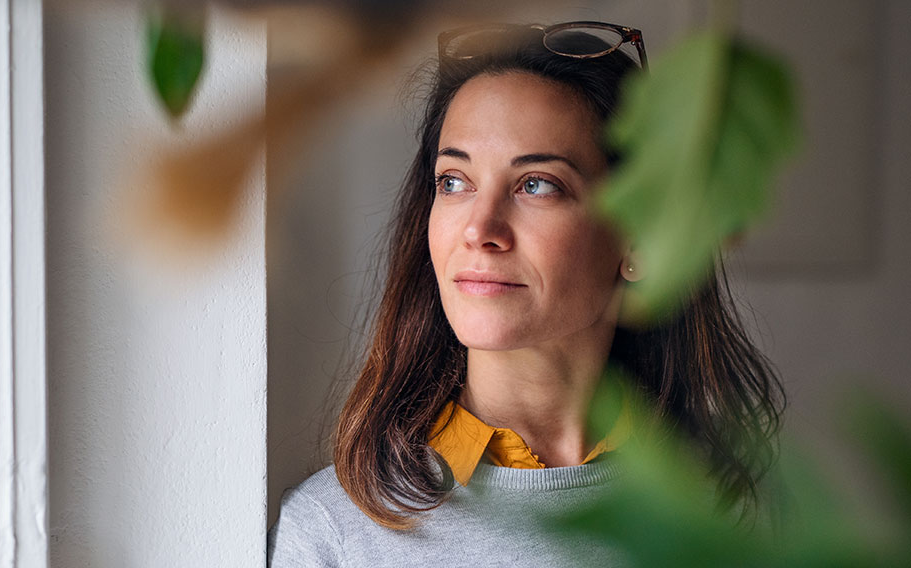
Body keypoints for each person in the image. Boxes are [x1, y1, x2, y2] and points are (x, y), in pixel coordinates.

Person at [269, 21, 783, 567]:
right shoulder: (336, 531)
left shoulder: (721, 514)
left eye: (537, 183)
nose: (479, 227)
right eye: (454, 181)